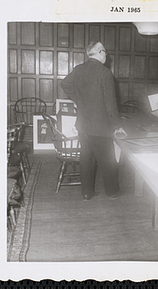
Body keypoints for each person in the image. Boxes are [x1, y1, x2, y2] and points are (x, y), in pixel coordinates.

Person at [61, 42, 126, 201]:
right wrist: (118, 126)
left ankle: (86, 192)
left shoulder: (78, 69)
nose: (106, 55)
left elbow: (65, 84)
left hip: (83, 125)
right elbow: (111, 103)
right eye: (105, 52)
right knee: (108, 161)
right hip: (100, 126)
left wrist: (79, 100)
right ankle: (112, 192)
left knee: (87, 159)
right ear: (98, 52)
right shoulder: (104, 73)